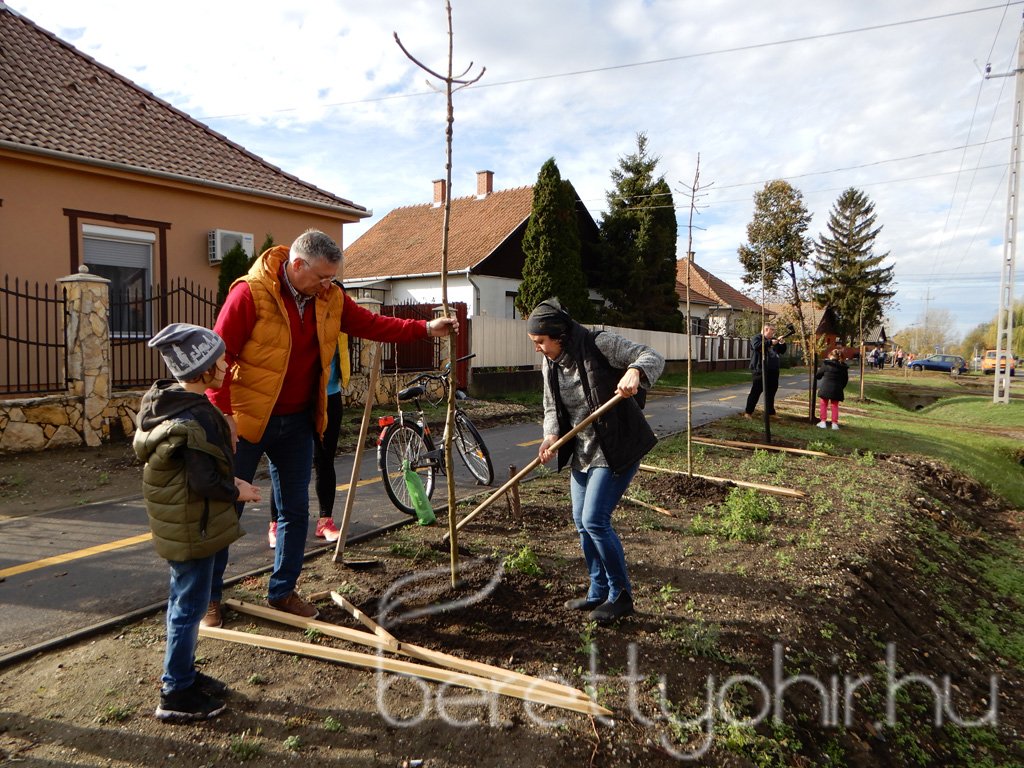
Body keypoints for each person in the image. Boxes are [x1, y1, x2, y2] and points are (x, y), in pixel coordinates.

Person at [208, 229, 458, 624]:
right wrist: (222, 414)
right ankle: (210, 597)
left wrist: (424, 330)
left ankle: (283, 591)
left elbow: (373, 325)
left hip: (298, 420)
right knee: (227, 509)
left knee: (295, 510)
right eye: (322, 277)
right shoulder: (250, 294)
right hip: (245, 418)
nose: (328, 284)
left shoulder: (330, 298)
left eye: (332, 278)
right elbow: (217, 355)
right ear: (297, 265)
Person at [133, 323, 261, 722]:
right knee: (189, 607)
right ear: (204, 369)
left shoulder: (167, 404)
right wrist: (236, 490)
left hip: (183, 520)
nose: (227, 365)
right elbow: (205, 480)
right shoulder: (201, 417)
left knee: (181, 600)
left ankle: (183, 673)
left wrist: (231, 479)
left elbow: (198, 468)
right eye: (220, 359)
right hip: (196, 524)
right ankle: (175, 693)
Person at [528, 298, 664, 625]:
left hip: (615, 447)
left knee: (595, 520)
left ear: (558, 334)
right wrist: (549, 437)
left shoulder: (598, 343)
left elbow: (652, 356)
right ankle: (597, 590)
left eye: (540, 342)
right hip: (582, 452)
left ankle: (621, 595)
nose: (537, 348)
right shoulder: (551, 363)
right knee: (581, 523)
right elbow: (551, 409)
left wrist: (635, 370)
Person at [267, 334, 347, 548]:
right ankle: (276, 524)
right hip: (297, 395)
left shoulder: (337, 311)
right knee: (283, 462)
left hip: (330, 395)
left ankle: (325, 521)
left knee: (325, 459)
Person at [743, 324, 786, 419]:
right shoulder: (757, 338)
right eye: (772, 330)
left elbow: (782, 351)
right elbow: (756, 346)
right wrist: (770, 343)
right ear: (766, 329)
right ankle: (748, 412)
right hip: (760, 369)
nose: (774, 332)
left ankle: (770, 412)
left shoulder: (774, 340)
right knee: (756, 391)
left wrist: (782, 343)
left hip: (773, 370)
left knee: (771, 392)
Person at [815, 348, 849, 430]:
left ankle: (823, 422)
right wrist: (841, 387)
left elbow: (818, 375)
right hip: (837, 389)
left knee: (823, 404)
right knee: (835, 405)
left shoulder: (826, 364)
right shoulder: (843, 367)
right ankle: (834, 424)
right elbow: (845, 380)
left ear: (830, 355)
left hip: (825, 387)